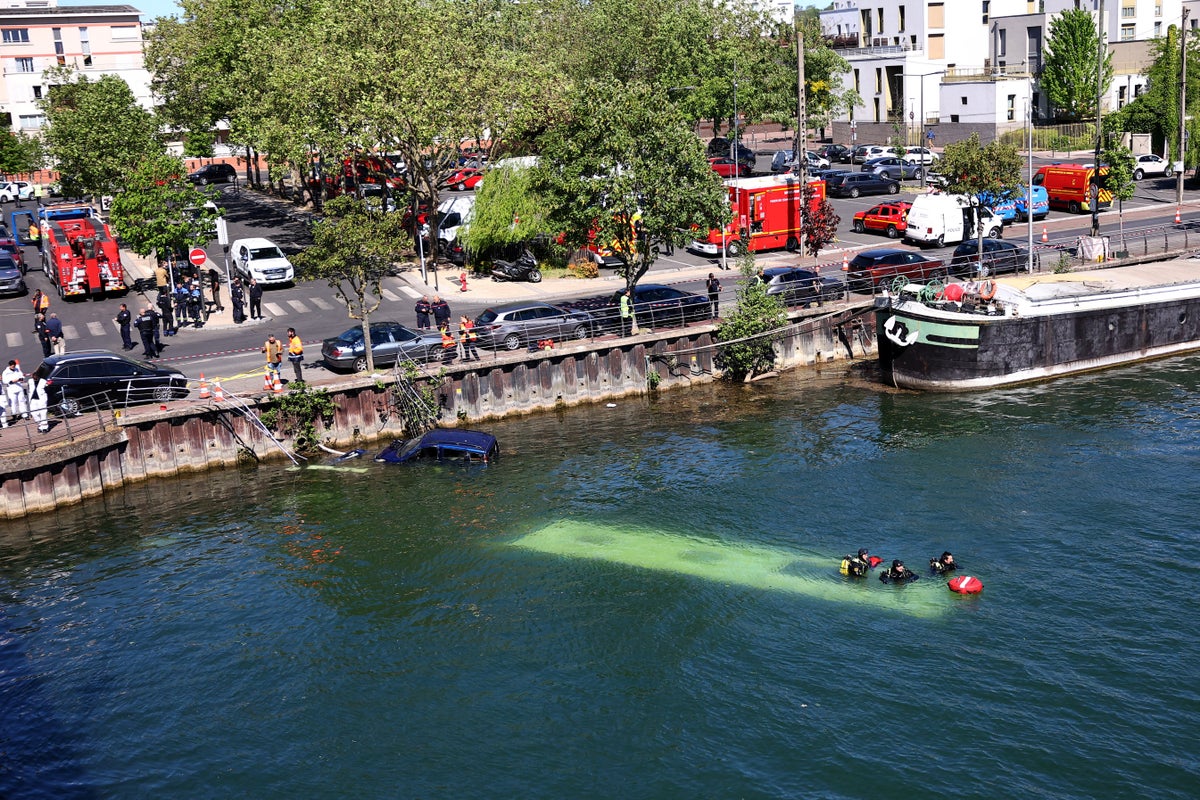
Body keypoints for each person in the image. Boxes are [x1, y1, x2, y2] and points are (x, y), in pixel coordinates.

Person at [26, 365, 49, 433]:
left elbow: (47, 386)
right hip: (33, 400)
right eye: (34, 377)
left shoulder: (43, 381)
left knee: (43, 413)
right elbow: (28, 387)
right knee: (34, 413)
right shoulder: (30, 381)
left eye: (36, 377)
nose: (35, 379)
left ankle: (44, 427)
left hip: (41, 399)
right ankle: (40, 425)